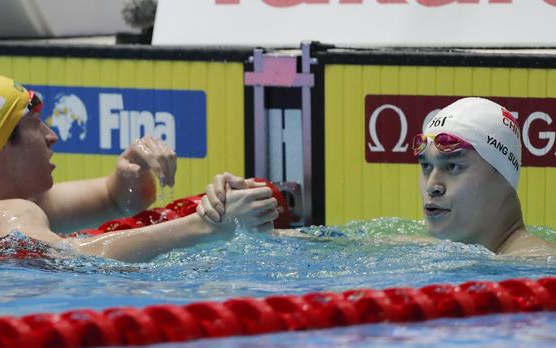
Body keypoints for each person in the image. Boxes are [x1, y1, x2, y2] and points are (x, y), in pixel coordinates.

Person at [0, 74, 280, 262]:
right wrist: (205, 227)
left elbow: (115, 199)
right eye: (36, 126)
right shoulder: (8, 215)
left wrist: (129, 170)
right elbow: (75, 260)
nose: (52, 136)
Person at [202, 97, 556, 257]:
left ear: (504, 177)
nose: (433, 183)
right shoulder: (437, 249)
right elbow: (334, 246)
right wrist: (250, 218)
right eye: (426, 165)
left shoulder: (538, 265)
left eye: (454, 166)